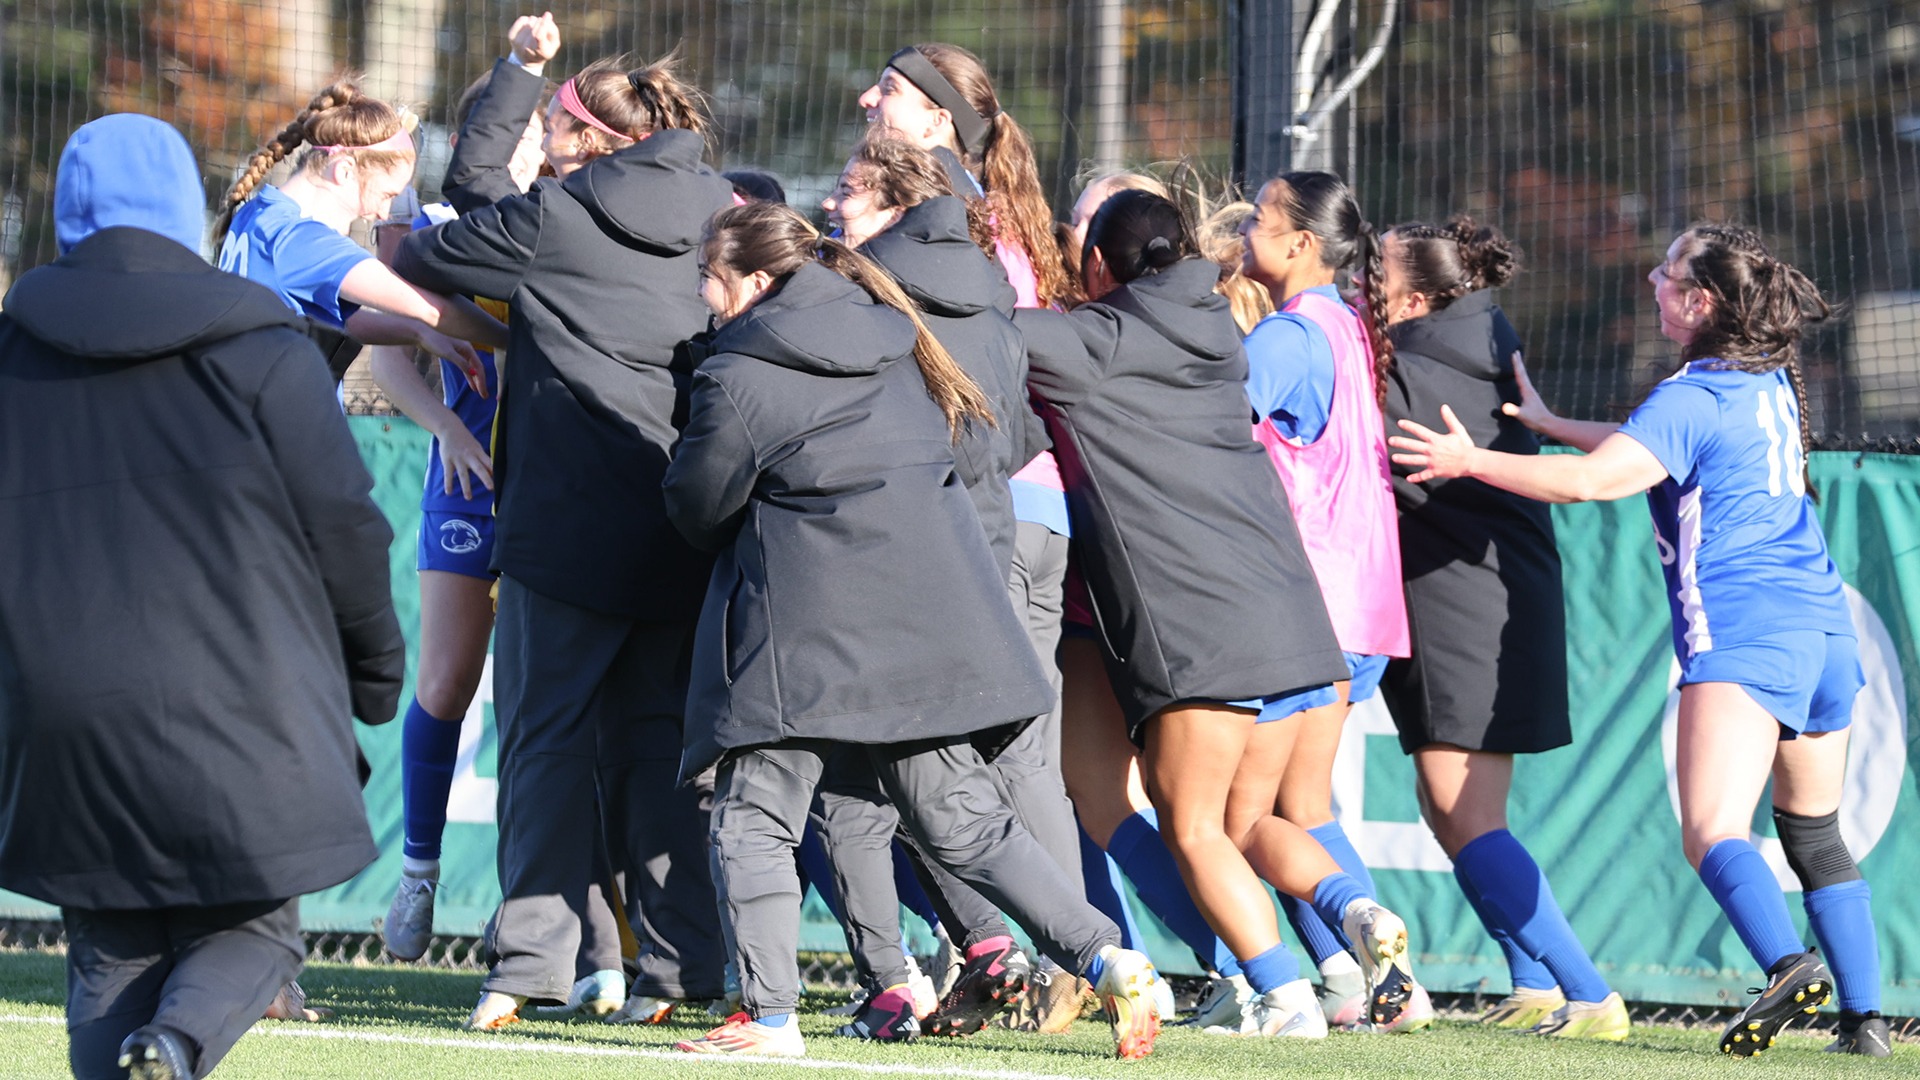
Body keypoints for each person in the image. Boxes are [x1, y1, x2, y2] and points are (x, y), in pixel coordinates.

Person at [665, 201, 1165, 1062]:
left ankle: (773, 1019)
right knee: (967, 824)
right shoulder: (894, 342)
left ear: (752, 282)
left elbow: (697, 507)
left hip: (806, 633)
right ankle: (1109, 956)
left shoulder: (737, 374)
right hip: (929, 618)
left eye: (710, 277)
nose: (704, 298)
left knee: (753, 815)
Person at [1389, 222, 1885, 1057]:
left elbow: (1593, 485)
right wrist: (1549, 421)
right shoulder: (1764, 381)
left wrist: (1469, 461)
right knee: (1813, 835)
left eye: (1667, 271)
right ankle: (1865, 1023)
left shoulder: (1693, 396)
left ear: (1699, 301)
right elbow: (1641, 454)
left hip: (1746, 637)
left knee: (1713, 832)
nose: (1652, 280)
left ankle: (1787, 967)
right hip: (1827, 636)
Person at [0, 114, 405, 1080]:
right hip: (243, 699)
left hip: (65, 715)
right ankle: (174, 1044)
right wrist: (376, 672)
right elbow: (343, 525)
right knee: (258, 929)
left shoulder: (11, 355)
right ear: (184, 208)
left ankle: (141, 1053)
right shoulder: (259, 345)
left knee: (112, 944)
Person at [1017, 188, 1419, 1039]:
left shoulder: (1099, 341)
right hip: (1301, 618)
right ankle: (1352, 924)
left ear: (1095, 265)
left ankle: (1280, 993)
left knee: (1192, 821)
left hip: (1202, 623)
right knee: (1251, 820)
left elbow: (998, 338)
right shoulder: (1231, 339)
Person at [393, 40, 735, 1030]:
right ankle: (681, 974)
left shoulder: (557, 217)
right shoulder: (723, 210)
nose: (540, 141)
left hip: (561, 532)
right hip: (681, 523)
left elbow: (433, 239)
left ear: (586, 136)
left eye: (552, 126)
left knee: (543, 748)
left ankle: (527, 969)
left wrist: (514, 80)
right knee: (661, 754)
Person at [1374, 216, 1628, 1040]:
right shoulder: (1456, 351)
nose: (1356, 281)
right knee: (1450, 808)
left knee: (1465, 811)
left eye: (1372, 272)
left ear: (1413, 298)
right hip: (1464, 595)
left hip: (1468, 603)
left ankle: (1591, 996)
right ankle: (1535, 982)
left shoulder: (1412, 369)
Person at [1235, 170, 1423, 1030]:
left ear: (1302, 243)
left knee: (1232, 821)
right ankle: (1381, 986)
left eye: (1261, 216)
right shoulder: (1347, 327)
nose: (1245, 227)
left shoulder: (1286, 336)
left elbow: (1208, 433)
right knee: (1302, 809)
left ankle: (1356, 941)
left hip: (1306, 610)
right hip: (1361, 608)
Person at [214, 79, 507, 376]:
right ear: (343, 171)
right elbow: (431, 309)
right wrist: (516, 340)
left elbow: (332, 320)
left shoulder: (256, 214)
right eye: (386, 196)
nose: (381, 214)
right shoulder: (303, 242)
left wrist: (417, 333)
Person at [859, 42, 1069, 309]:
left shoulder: (981, 224)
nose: (866, 98)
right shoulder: (924, 204)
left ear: (936, 121)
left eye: (890, 88)